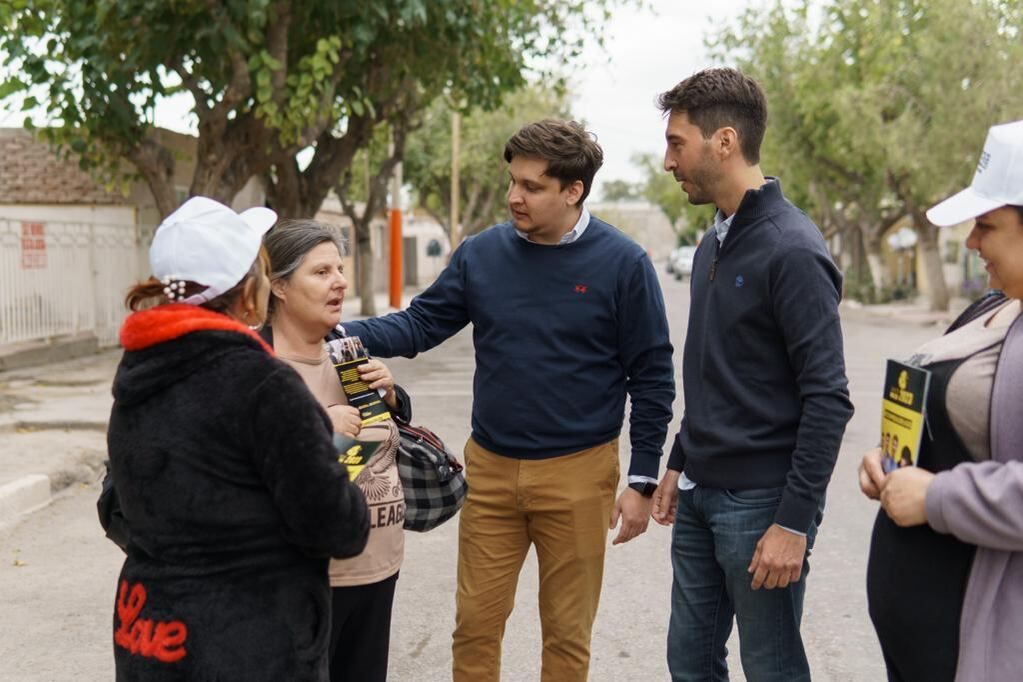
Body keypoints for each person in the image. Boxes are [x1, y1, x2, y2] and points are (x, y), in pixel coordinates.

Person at [343, 118, 675, 682]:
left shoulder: (623, 263)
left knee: (566, 637)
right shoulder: (482, 254)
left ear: (573, 191)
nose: (514, 196)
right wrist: (334, 330)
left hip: (579, 474)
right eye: (513, 181)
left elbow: (652, 376)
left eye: (532, 186)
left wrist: (642, 479)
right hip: (492, 472)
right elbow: (420, 324)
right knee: (475, 627)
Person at [105, 197, 369, 680]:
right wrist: (331, 447)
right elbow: (338, 527)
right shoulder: (263, 385)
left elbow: (124, 507)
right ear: (248, 290)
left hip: (152, 638)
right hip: (250, 647)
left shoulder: (137, 379)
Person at [649, 68, 854, 682]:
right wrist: (679, 460)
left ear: (725, 141)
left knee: (772, 668)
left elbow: (828, 397)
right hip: (699, 493)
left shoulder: (793, 248)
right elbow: (715, 370)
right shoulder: (713, 242)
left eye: (677, 143)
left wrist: (792, 521)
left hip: (762, 503)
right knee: (689, 663)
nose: (668, 161)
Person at [859, 118, 1023, 682]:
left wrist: (937, 497)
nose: (972, 242)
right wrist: (891, 459)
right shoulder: (997, 304)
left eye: (987, 225)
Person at [262, 220, 411, 682]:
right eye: (321, 272)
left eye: (340, 269)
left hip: (378, 569)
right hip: (306, 581)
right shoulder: (254, 364)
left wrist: (391, 395)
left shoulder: (345, 350)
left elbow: (377, 437)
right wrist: (318, 427)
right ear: (279, 285)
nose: (340, 282)